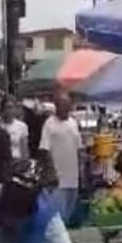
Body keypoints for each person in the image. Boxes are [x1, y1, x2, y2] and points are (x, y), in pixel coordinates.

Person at [39, 93, 82, 221]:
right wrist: (51, 171)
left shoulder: (73, 123)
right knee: (58, 215)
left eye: (68, 105)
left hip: (73, 178)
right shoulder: (49, 124)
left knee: (68, 212)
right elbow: (44, 149)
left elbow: (79, 147)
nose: (66, 108)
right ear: (56, 106)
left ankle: (65, 239)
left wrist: (82, 168)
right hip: (58, 179)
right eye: (63, 105)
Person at [0, 96, 30, 160]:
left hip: (17, 160)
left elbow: (24, 149)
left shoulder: (22, 126)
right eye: (7, 108)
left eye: (11, 107)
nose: (9, 111)